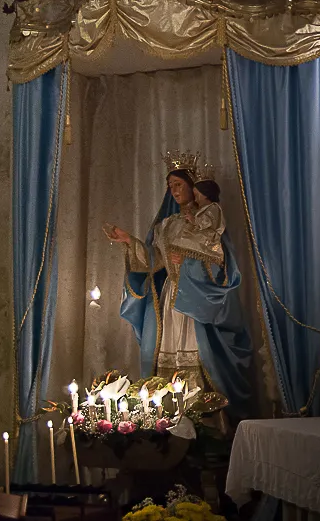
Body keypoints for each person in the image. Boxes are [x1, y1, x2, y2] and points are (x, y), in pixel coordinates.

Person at [103, 152, 251, 417]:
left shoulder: (208, 221)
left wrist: (187, 261)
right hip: (169, 299)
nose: (173, 190)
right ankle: (167, 416)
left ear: (194, 188)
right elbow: (155, 261)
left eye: (178, 184)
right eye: (170, 186)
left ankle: (203, 419)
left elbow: (220, 260)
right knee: (164, 356)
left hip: (195, 299)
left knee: (200, 355)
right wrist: (129, 241)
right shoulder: (166, 225)